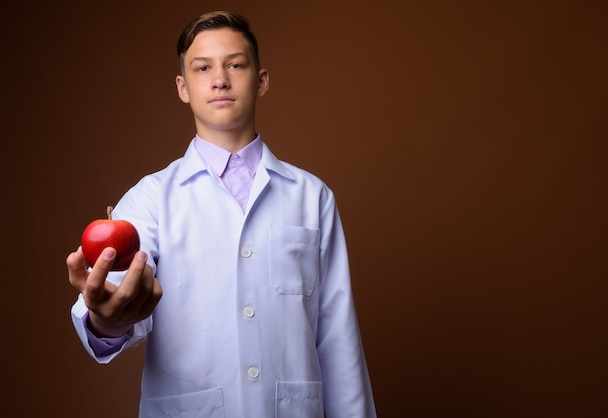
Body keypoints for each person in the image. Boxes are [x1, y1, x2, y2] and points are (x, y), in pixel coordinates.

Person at [67, 10, 376, 418]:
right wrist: (106, 319)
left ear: (261, 80)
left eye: (235, 64)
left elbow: (338, 337)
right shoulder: (150, 199)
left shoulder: (312, 197)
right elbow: (121, 302)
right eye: (202, 68)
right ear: (183, 87)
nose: (220, 79)